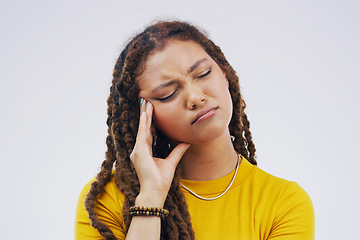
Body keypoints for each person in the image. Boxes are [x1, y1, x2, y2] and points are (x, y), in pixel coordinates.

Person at [75, 20, 314, 240]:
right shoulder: (105, 200)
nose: (196, 97)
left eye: (203, 74)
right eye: (168, 93)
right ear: (144, 114)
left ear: (225, 73)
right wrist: (150, 199)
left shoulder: (284, 202)